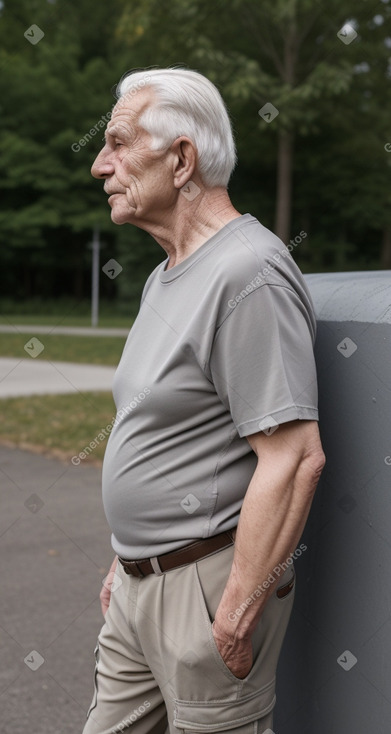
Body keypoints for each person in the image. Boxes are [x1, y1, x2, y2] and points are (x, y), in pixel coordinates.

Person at [83, 67, 325, 734]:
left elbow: (295, 458)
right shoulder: (167, 274)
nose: (101, 165)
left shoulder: (247, 273)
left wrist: (235, 611)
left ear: (182, 158)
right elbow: (166, 430)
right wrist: (127, 558)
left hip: (204, 589)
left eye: (119, 143)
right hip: (138, 586)